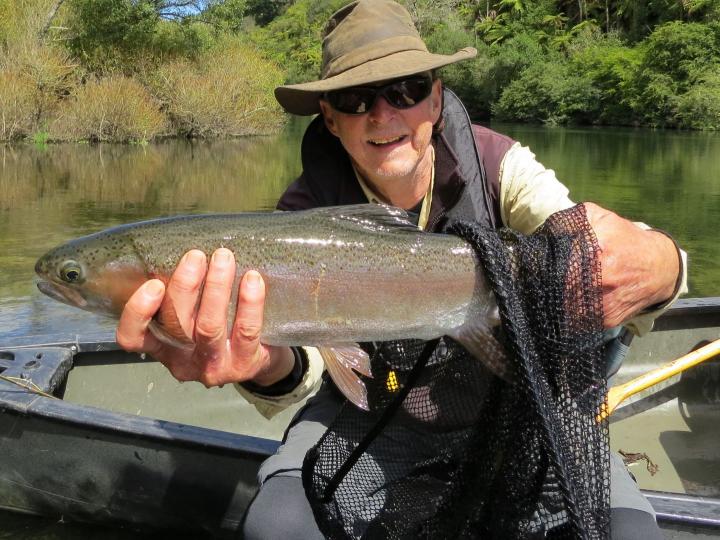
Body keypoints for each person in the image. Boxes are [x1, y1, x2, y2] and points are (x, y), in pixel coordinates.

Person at [116, 1, 687, 538]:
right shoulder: (298, 216)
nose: (384, 114)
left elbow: (596, 256)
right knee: (276, 526)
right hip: (369, 411)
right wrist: (263, 366)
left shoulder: (503, 168)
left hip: (519, 406)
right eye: (357, 98)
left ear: (435, 101)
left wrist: (665, 265)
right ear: (330, 118)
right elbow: (307, 370)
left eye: (406, 90)